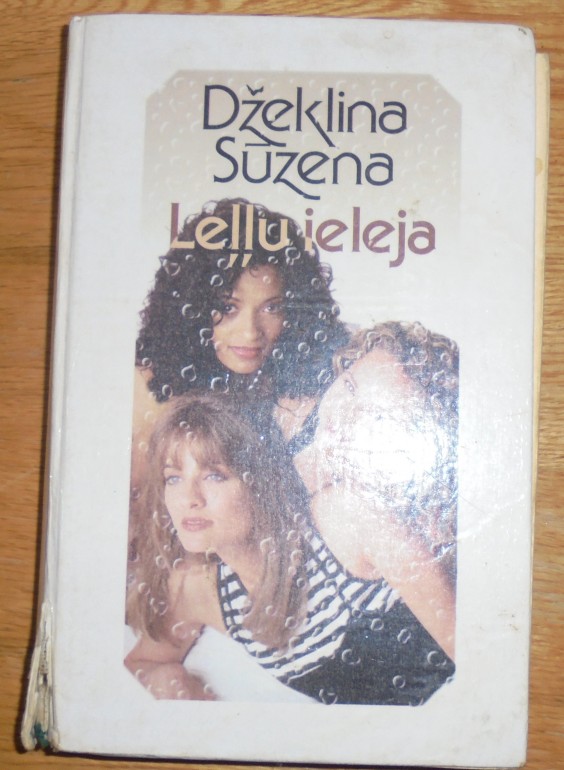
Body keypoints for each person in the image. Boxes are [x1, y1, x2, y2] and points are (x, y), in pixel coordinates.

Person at [126, 381, 456, 705]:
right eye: (173, 478)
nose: (189, 498)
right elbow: (141, 663)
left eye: (214, 475)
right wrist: (171, 685)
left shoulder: (343, 517)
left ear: (259, 482)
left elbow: (467, 649)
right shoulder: (202, 591)